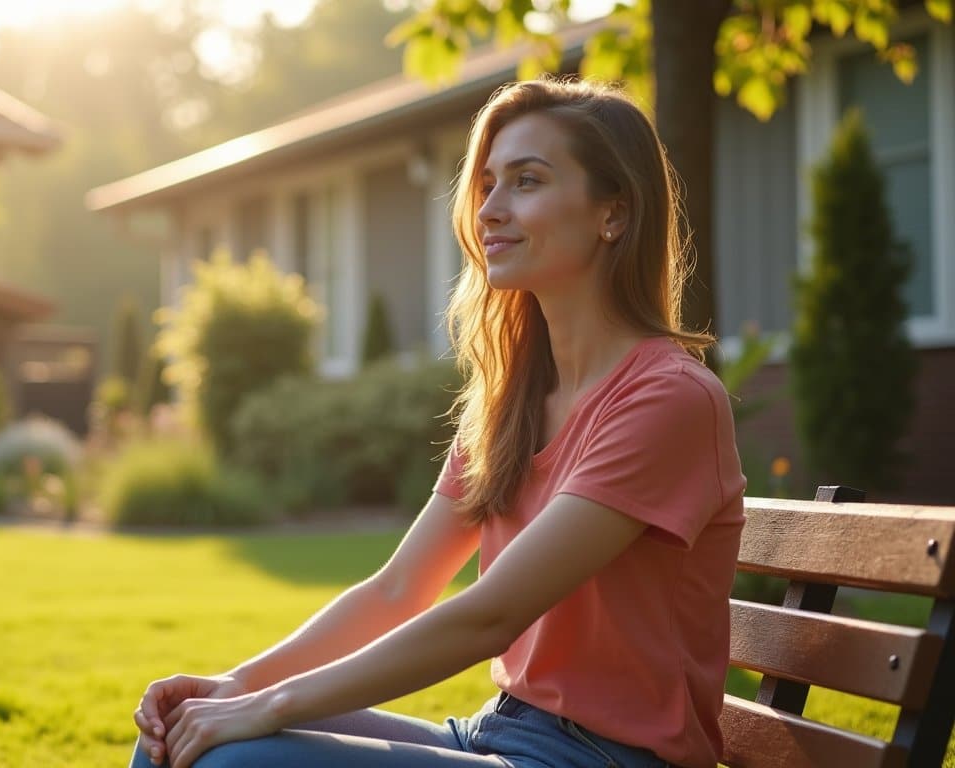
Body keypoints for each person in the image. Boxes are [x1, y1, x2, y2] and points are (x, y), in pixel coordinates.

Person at [128, 77, 746, 768]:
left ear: (614, 214)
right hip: (503, 732)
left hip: (603, 759)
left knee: (234, 758)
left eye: (526, 181)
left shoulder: (668, 400)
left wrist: (266, 705)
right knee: (181, 732)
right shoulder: (513, 400)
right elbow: (399, 589)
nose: (490, 210)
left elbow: (491, 615)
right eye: (487, 185)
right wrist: (237, 684)